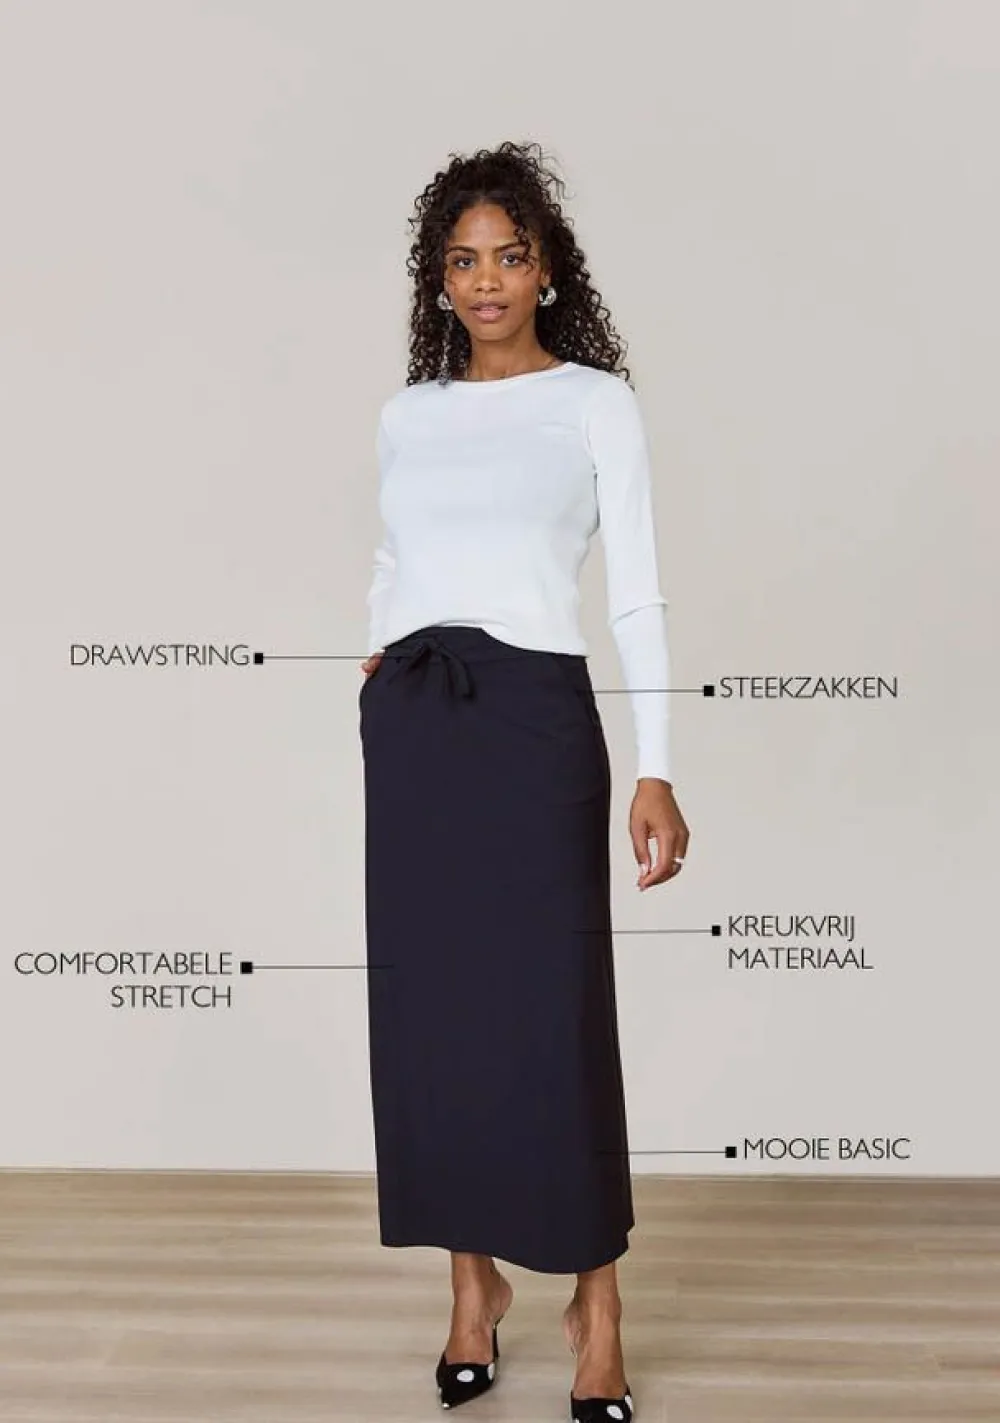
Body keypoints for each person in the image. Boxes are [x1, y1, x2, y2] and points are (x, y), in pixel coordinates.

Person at [358, 140, 689, 1422]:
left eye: (508, 256)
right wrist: (380, 649)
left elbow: (638, 592)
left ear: (546, 268)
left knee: (553, 1014)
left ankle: (595, 1302)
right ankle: (470, 1286)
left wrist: (656, 766)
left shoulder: (595, 403)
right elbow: (396, 557)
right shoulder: (409, 413)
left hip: (537, 720)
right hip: (419, 727)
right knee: (433, 1014)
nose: (485, 280)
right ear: (437, 279)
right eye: (462, 260)